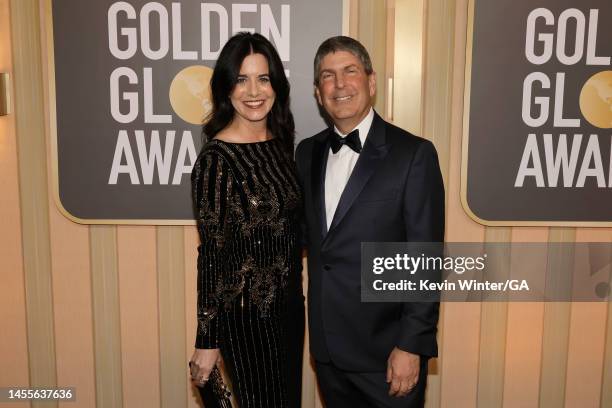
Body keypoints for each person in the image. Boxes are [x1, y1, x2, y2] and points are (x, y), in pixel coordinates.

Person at [295, 36, 445, 407]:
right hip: (328, 353)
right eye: (328, 76)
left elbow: (424, 259)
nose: (340, 84)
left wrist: (411, 345)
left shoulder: (413, 154)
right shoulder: (306, 152)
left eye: (350, 71)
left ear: (371, 81)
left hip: (388, 356)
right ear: (318, 92)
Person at [189, 32, 304, 408]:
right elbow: (212, 255)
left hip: (289, 309)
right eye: (241, 79)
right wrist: (207, 340)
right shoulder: (216, 160)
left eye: (263, 78)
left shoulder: (280, 143)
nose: (253, 91)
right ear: (226, 88)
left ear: (276, 86)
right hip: (246, 318)